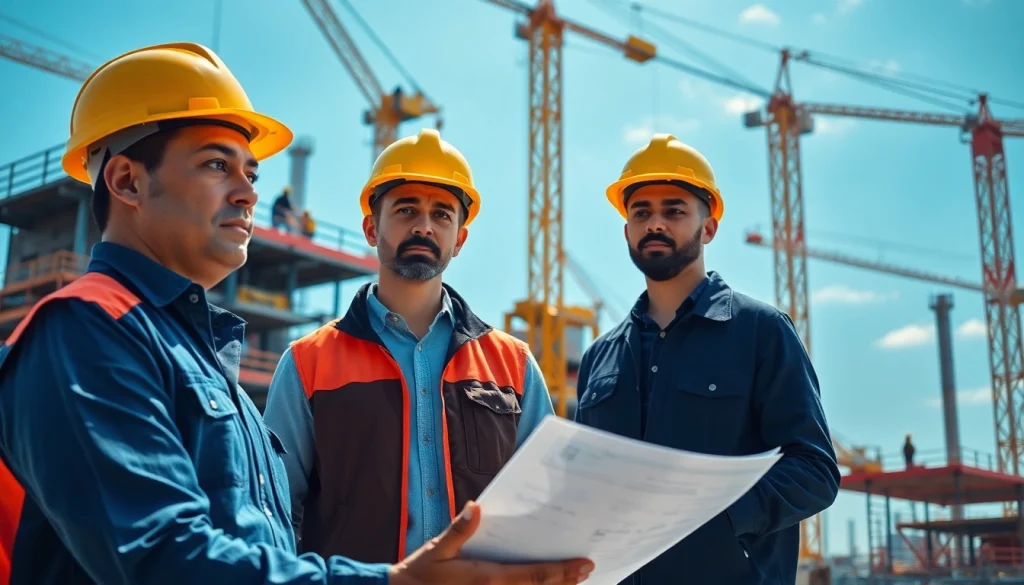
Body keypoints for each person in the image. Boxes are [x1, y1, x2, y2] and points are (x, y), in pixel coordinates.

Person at [0, 42, 593, 585]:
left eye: (251, 172)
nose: (250, 192)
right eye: (216, 165)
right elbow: (163, 556)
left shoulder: (200, 358)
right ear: (127, 180)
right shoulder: (85, 331)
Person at [262, 128, 557, 564]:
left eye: (442, 214)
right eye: (406, 210)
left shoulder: (512, 364)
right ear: (370, 227)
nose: (424, 225)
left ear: (459, 239)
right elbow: (272, 512)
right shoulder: (308, 363)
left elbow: (546, 505)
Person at [572, 133, 840, 585]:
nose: (655, 223)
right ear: (627, 231)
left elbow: (814, 471)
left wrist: (722, 519)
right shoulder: (600, 357)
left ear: (708, 227)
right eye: (641, 213)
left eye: (674, 210)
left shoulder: (762, 331)